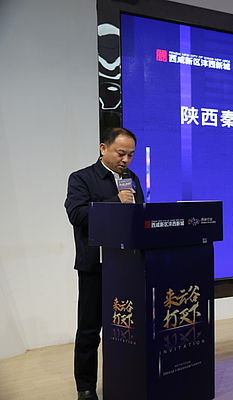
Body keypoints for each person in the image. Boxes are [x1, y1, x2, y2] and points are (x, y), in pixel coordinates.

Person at [65, 127, 144, 400]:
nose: (126, 160)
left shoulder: (131, 179)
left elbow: (139, 215)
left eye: (130, 155)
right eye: (121, 153)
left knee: (127, 327)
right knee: (89, 330)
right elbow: (76, 214)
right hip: (95, 267)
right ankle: (86, 388)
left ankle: (126, 379)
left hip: (128, 266)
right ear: (103, 148)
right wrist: (115, 201)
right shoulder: (81, 178)